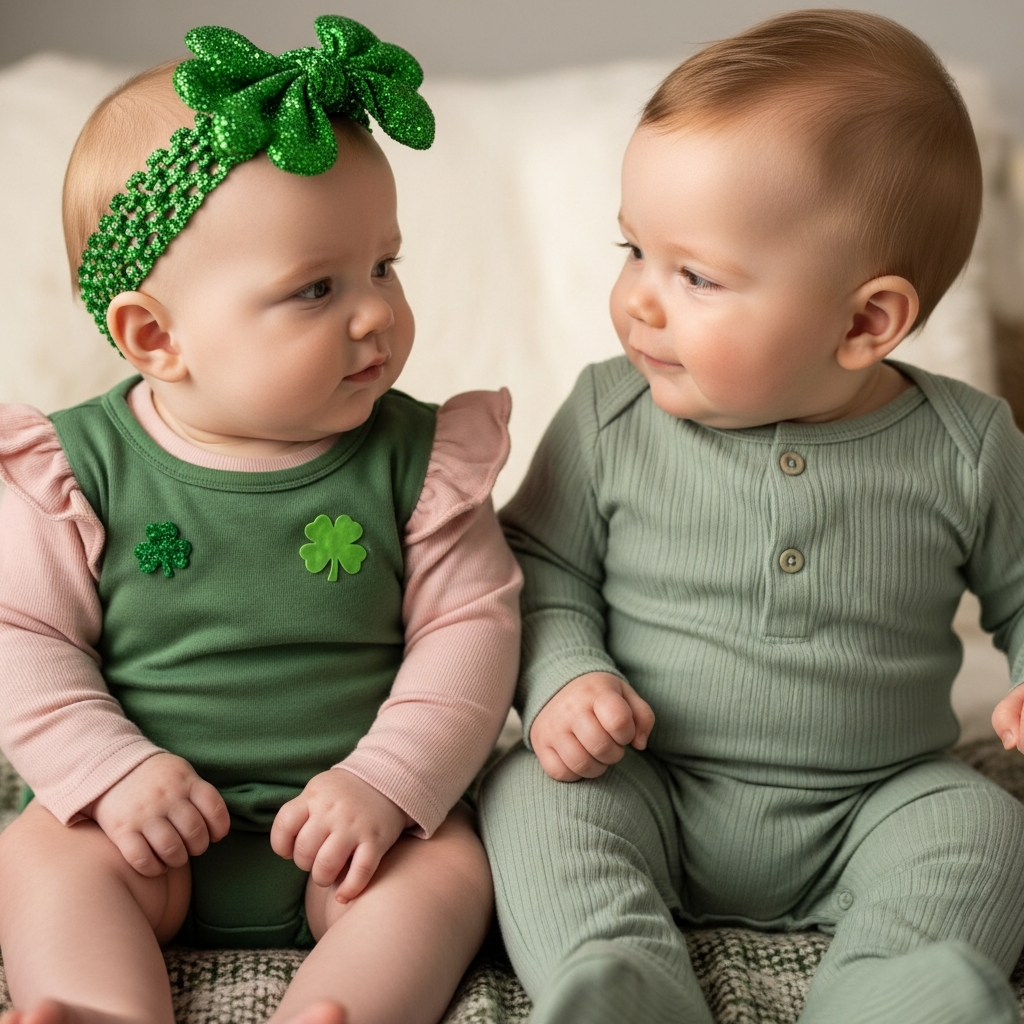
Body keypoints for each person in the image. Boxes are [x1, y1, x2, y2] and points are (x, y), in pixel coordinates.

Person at [479, 10, 1024, 1024]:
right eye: (632, 248)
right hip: (647, 781)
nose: (639, 299)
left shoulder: (968, 444)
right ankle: (618, 977)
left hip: (876, 797)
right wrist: (566, 675)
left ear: (866, 321)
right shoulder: (609, 413)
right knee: (529, 797)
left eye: (693, 274)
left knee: (984, 826)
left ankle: (891, 988)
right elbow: (535, 561)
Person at [0, 17, 521, 1024]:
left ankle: (344, 1007)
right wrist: (112, 775)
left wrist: (387, 781)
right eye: (316, 288)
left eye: (384, 266)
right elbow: (23, 639)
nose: (373, 312)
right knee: (38, 852)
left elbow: (473, 631)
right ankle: (97, 1006)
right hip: (141, 829)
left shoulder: (420, 463)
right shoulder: (77, 471)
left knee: (449, 869)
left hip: (355, 831)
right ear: (157, 336)